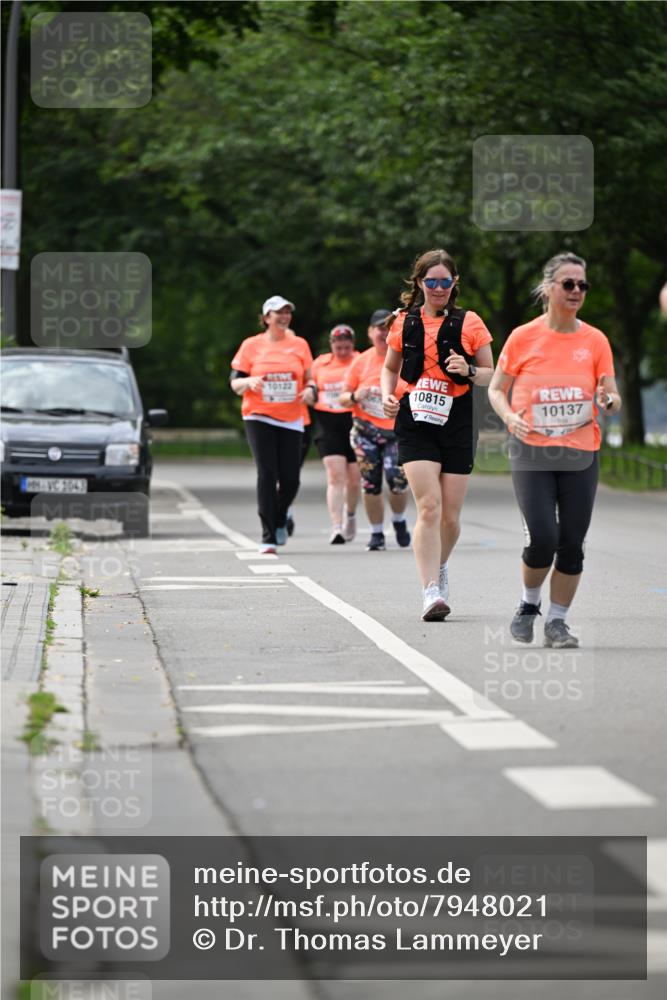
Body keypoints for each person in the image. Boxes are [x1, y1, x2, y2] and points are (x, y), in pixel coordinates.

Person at [488, 251, 621, 648]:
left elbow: (611, 396)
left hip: (581, 453)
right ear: (549, 289)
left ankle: (558, 622)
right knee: (544, 536)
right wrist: (510, 417)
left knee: (573, 544)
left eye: (583, 285)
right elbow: (496, 389)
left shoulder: (594, 339)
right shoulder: (523, 337)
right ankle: (529, 605)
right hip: (532, 452)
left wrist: (608, 400)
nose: (577, 291)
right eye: (569, 284)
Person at [381, 249, 494, 621]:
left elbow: (493, 374)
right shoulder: (403, 323)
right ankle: (431, 591)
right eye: (432, 282)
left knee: (450, 516)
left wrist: (469, 370)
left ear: (455, 284)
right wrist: (386, 394)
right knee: (428, 505)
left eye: (446, 282)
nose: (439, 288)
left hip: (458, 417)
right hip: (415, 416)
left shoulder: (471, 322)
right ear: (419, 283)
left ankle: (440, 565)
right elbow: (389, 368)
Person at [230, 295, 313, 553]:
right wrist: (248, 382)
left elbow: (310, 379)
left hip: (291, 417)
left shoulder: (299, 344)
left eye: (288, 312)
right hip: (258, 414)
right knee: (267, 473)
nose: (284, 316)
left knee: (291, 479)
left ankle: (280, 516)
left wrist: (310, 390)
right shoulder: (251, 346)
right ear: (266, 317)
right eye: (279, 312)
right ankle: (268, 535)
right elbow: (234, 382)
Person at [340, 310, 411, 551]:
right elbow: (342, 398)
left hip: (398, 431)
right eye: (378, 328)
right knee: (370, 483)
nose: (383, 332)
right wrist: (354, 396)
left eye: (388, 327)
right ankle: (377, 533)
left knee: (397, 481)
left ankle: (399, 520)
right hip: (365, 431)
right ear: (370, 333)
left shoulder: (406, 357)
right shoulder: (360, 361)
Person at [304, 324, 361, 543]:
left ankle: (351, 515)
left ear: (353, 345)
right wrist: (309, 392)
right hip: (327, 423)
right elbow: (310, 384)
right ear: (331, 345)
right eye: (339, 347)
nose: (343, 352)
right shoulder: (320, 363)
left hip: (355, 421)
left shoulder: (360, 360)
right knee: (335, 476)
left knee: (354, 480)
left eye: (347, 347)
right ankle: (336, 526)